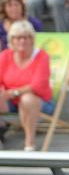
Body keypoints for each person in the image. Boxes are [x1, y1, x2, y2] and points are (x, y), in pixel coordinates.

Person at [0, 20, 51, 150]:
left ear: (32, 39)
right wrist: (2, 95)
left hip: (39, 102)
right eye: (18, 37)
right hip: (10, 101)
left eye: (27, 37)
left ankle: (30, 141)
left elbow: (37, 86)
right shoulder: (5, 56)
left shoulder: (41, 57)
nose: (23, 41)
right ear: (12, 40)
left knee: (27, 99)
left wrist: (11, 94)